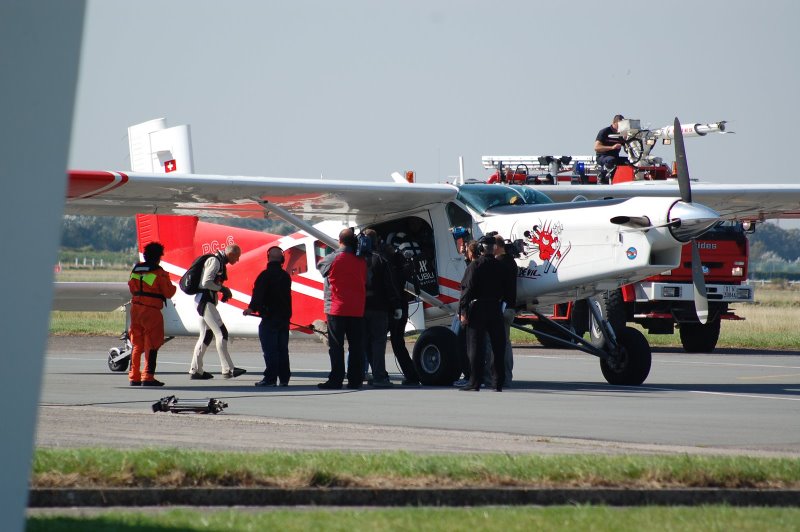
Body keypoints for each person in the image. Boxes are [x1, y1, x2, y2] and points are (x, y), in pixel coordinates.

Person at [317, 228, 367, 390]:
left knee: (336, 346)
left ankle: (336, 379)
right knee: (356, 346)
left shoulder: (333, 259)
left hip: (337, 308)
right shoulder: (361, 261)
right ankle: (355, 379)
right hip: (357, 308)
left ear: (339, 241)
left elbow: (321, 266)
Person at [189, 244, 247, 380]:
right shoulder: (215, 261)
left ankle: (196, 369)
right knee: (222, 333)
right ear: (231, 254)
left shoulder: (218, 261)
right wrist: (223, 289)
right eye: (237, 257)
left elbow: (209, 283)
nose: (237, 260)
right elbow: (206, 282)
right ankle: (228, 369)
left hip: (203, 301)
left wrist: (220, 289)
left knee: (206, 336)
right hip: (205, 302)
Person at [458, 237, 506, 392]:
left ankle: (474, 382)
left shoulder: (475, 266)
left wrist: (463, 311)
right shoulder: (500, 266)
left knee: (475, 347)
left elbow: (466, 290)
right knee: (498, 347)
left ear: (481, 249)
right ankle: (498, 382)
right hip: (495, 307)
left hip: (478, 308)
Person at [127, 242, 176, 386]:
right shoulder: (159, 272)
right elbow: (168, 292)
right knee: (152, 343)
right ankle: (147, 377)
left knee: (137, 344)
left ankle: (133, 377)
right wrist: (173, 287)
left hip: (135, 309)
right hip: (151, 310)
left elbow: (131, 287)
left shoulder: (136, 269)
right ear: (158, 257)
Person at [244, 246, 292, 387]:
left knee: (270, 350)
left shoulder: (264, 276)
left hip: (270, 317)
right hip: (284, 318)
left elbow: (258, 295)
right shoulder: (285, 276)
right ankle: (284, 378)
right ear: (282, 259)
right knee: (282, 349)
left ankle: (270, 378)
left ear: (268, 258)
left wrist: (251, 308)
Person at [363, 229, 403, 388]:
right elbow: (389, 286)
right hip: (379, 308)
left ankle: (367, 374)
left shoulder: (358, 260)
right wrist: (397, 305)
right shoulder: (381, 260)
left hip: (362, 308)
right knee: (378, 342)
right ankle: (379, 376)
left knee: (365, 343)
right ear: (376, 241)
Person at [386, 243, 422, 386]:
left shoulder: (390, 269)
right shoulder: (405, 268)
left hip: (394, 308)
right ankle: (411, 374)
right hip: (403, 307)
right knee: (398, 343)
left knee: (381, 342)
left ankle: (381, 374)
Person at [495, 234, 518, 386]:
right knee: (506, 343)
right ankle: (507, 376)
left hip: (501, 307)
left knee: (496, 344)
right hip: (511, 307)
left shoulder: (499, 264)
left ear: (497, 246)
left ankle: (497, 377)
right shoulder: (512, 262)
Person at [594, 114, 628, 184]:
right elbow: (596, 147)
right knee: (611, 160)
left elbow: (627, 149)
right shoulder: (605, 131)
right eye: (619, 124)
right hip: (603, 156)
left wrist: (626, 140)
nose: (621, 127)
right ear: (614, 123)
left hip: (616, 157)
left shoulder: (621, 134)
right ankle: (602, 176)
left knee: (630, 162)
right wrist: (612, 147)